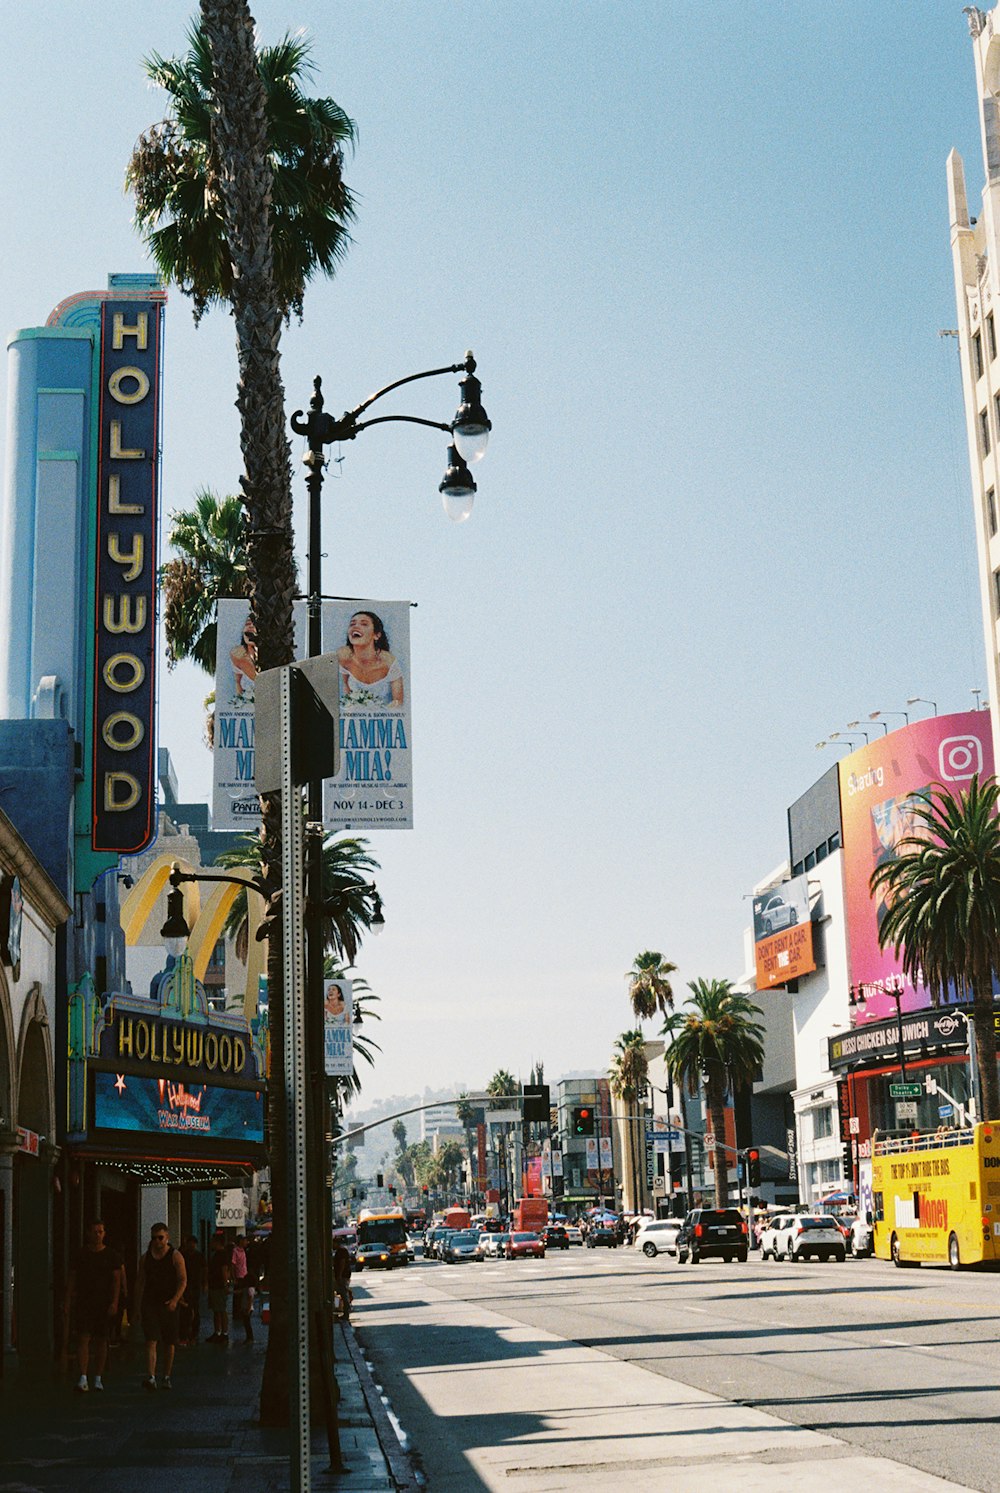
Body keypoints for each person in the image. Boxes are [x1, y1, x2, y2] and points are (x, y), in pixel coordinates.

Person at [64, 1219, 124, 1393]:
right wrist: (67, 1301)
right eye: (95, 1231)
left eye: (101, 1231)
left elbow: (117, 1280)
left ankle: (97, 1377)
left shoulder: (111, 1255)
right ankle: (83, 1377)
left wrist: (114, 1302)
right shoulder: (81, 1254)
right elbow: (72, 1278)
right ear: (88, 1233)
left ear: (105, 1234)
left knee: (101, 1340)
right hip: (84, 1302)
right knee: (83, 1337)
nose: (98, 1235)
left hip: (103, 1303)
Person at [134, 1222, 186, 1390]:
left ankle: (166, 1375)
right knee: (151, 1340)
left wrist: (175, 1300)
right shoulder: (145, 1258)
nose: (157, 1241)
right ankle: (151, 1376)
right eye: (154, 1238)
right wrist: (137, 1307)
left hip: (168, 1303)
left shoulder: (175, 1256)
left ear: (167, 1238)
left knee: (169, 1342)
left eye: (160, 1238)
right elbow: (140, 1282)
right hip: (150, 1303)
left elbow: (182, 1279)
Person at [337, 611, 404, 707]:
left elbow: (398, 701)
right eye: (352, 624)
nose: (355, 627)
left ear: (376, 635)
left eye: (364, 624)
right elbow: (345, 688)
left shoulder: (389, 662)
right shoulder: (343, 656)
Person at [179, 1235, 205, 1346]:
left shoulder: (198, 1256)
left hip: (195, 1286)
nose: (191, 1245)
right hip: (185, 1286)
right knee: (185, 1311)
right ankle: (185, 1334)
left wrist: (204, 1283)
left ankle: (193, 1334)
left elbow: (204, 1269)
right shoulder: (182, 1255)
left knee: (194, 1309)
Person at [206, 1232, 232, 1343]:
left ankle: (223, 1333)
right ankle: (218, 1332)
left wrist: (225, 1284)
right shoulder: (218, 1254)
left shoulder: (222, 1255)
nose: (211, 1244)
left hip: (218, 1286)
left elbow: (224, 1270)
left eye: (213, 1242)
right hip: (215, 1285)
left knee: (221, 1310)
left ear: (217, 1243)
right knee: (217, 1310)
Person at [230, 1234, 254, 1343]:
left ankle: (242, 1311)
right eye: (244, 1240)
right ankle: (238, 1312)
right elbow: (233, 1264)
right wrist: (233, 1277)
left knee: (243, 1293)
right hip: (239, 1276)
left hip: (244, 1275)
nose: (246, 1242)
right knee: (239, 1296)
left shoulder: (244, 1251)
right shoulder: (235, 1251)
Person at [230, 616, 258, 703]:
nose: (250, 626)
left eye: (255, 625)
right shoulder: (238, 654)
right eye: (248, 624)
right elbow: (238, 681)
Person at [333, 1245, 353, 1320]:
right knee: (343, 1293)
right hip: (345, 1275)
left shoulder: (340, 1251)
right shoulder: (342, 1250)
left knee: (344, 1294)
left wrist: (339, 1275)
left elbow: (342, 1263)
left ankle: (346, 1312)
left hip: (343, 1275)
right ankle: (345, 1311)